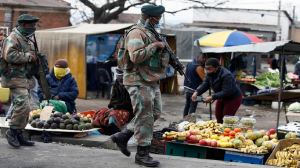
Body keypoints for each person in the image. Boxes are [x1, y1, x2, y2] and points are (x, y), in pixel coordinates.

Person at [111, 4, 169, 167]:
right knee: (145, 115)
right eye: (157, 18)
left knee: (155, 112)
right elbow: (135, 56)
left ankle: (123, 136)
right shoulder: (137, 32)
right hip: (137, 80)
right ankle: (142, 154)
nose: (158, 21)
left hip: (150, 79)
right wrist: (154, 46)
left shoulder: (151, 31)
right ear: (150, 17)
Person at [1, 14, 40, 148]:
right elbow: (9, 55)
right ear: (23, 25)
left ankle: (18, 132)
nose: (33, 28)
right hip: (14, 77)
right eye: (31, 25)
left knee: (26, 107)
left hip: (24, 77)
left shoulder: (25, 38)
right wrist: (29, 57)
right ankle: (12, 132)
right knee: (22, 104)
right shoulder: (13, 37)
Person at [192, 58, 242, 123]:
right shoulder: (209, 74)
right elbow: (205, 84)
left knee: (226, 118)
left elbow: (227, 91)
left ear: (216, 67)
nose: (207, 70)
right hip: (221, 97)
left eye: (209, 68)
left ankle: (226, 131)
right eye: (206, 68)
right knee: (218, 116)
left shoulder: (227, 75)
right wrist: (197, 92)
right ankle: (218, 131)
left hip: (233, 98)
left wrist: (213, 97)